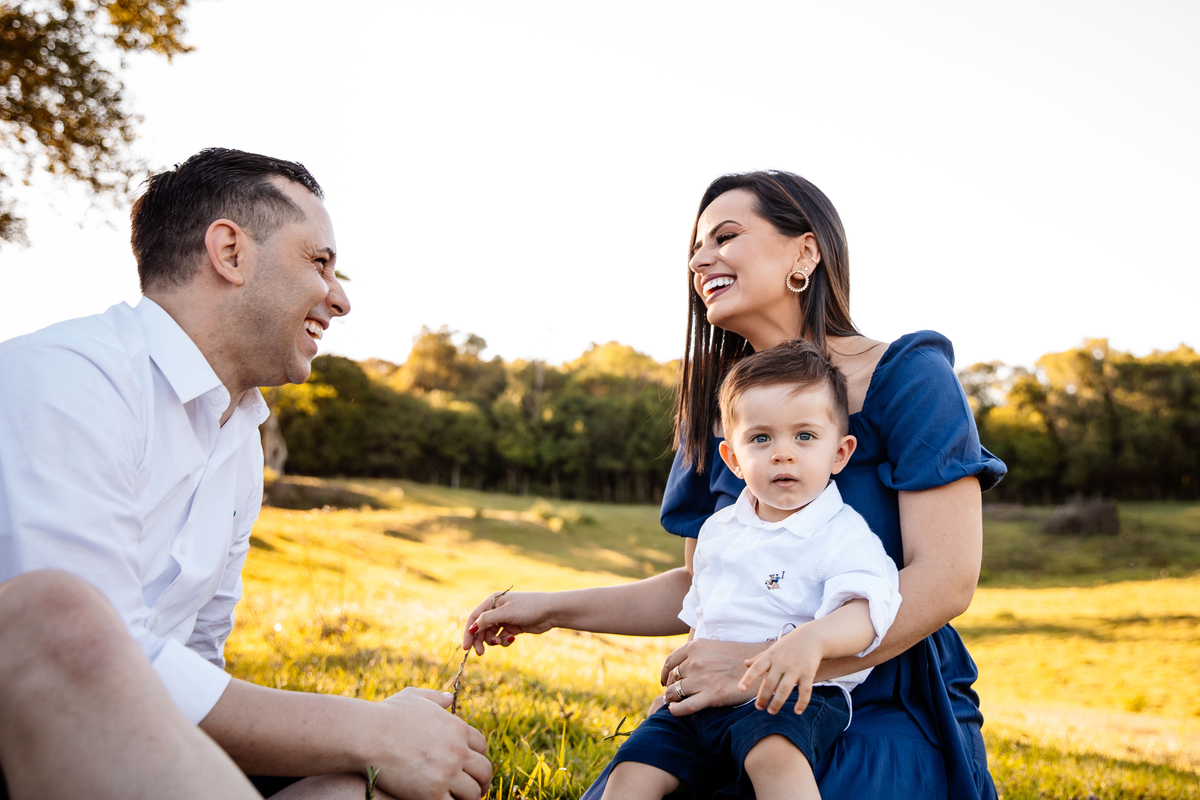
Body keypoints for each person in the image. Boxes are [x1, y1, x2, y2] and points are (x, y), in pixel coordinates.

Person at [463, 170, 1005, 799]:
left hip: (877, 695)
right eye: (695, 247)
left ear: (805, 252)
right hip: (725, 708)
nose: (699, 258)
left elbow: (947, 579)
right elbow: (698, 586)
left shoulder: (911, 377)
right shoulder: (717, 412)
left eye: (724, 236)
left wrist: (758, 664)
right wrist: (549, 607)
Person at [0, 148, 491, 800]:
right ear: (230, 252)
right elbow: (76, 664)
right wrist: (371, 729)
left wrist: (383, 741)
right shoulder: (67, 378)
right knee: (58, 612)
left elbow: (199, 667)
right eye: (320, 262)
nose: (339, 299)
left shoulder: (238, 442)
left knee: (363, 789)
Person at [605, 340, 901, 800]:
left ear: (840, 453)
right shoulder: (720, 530)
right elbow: (704, 617)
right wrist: (682, 685)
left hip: (793, 694)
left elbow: (868, 610)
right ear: (733, 459)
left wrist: (812, 641)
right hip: (706, 695)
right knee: (634, 768)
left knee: (774, 756)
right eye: (761, 438)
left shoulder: (843, 534)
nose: (783, 453)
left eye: (805, 437)